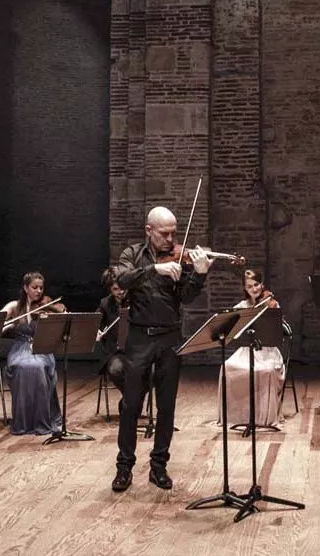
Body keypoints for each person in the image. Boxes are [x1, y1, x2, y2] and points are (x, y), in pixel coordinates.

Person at [111, 206, 213, 492]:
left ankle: (159, 467)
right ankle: (124, 467)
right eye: (164, 233)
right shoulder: (131, 254)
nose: (171, 239)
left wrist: (200, 275)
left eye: (174, 233)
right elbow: (121, 279)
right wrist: (154, 268)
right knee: (131, 405)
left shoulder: (179, 258)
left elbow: (187, 297)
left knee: (166, 406)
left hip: (169, 338)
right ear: (149, 230)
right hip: (140, 338)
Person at [0, 271, 66, 435]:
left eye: (41, 288)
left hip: (41, 348)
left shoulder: (46, 306)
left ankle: (41, 419)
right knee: (21, 366)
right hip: (20, 348)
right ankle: (24, 420)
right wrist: (8, 324)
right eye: (34, 287)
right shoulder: (14, 306)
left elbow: (63, 319)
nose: (38, 291)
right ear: (25, 288)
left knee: (38, 366)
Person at [217, 269, 286, 428]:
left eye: (256, 284)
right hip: (246, 350)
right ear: (245, 289)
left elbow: (277, 330)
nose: (254, 289)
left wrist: (271, 308)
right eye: (249, 286)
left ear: (262, 284)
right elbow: (231, 328)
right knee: (227, 367)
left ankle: (263, 418)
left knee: (267, 370)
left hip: (268, 350)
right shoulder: (241, 306)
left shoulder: (271, 303)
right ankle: (239, 416)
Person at [96, 267, 128, 392]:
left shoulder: (137, 301)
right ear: (109, 289)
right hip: (116, 353)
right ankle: (131, 399)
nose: (121, 292)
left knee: (153, 372)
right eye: (115, 289)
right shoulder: (105, 304)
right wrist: (96, 331)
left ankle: (133, 400)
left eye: (122, 287)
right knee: (116, 370)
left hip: (138, 351)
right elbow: (95, 323)